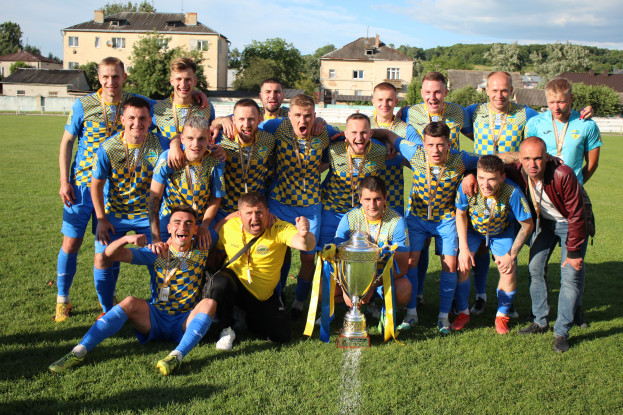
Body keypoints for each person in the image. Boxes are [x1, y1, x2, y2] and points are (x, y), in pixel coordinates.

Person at [48, 205, 216, 375]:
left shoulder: (201, 249)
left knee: (209, 303)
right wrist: (126, 239)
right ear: (169, 228)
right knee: (129, 302)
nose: (182, 227)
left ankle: (176, 356)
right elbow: (109, 254)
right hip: (155, 318)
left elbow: (225, 222)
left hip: (185, 320)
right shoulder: (157, 252)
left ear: (196, 229)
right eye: (177, 222)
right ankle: (78, 351)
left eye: (189, 223)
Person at [55, 57, 142, 322]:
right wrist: (64, 181)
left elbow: (167, 105)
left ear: (124, 77)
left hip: (114, 190)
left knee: (107, 248)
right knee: (71, 242)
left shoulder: (133, 103)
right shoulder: (83, 104)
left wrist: (198, 96)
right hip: (81, 186)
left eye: (115, 76)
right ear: (98, 78)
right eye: (105, 76)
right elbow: (67, 142)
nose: (110, 82)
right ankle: (62, 299)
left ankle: (108, 298)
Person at [380, 121, 479, 334]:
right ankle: (411, 313)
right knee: (410, 262)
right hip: (416, 219)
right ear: (423, 144)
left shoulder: (460, 159)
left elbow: (490, 161)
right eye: (431, 145)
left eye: (441, 145)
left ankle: (443, 317)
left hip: (446, 220)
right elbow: (389, 134)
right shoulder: (415, 153)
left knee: (450, 266)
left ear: (449, 144)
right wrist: (369, 132)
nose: (435, 150)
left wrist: (471, 172)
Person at [501, 137, 588, 352]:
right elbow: (489, 163)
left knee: (570, 275)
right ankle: (540, 321)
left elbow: (577, 216)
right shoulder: (518, 171)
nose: (533, 164)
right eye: (527, 159)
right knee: (534, 268)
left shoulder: (562, 174)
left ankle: (561, 332)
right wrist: (469, 178)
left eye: (538, 158)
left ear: (547, 157)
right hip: (546, 224)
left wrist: (574, 253)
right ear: (520, 159)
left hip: (572, 225)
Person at [261, 94, 340, 320]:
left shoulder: (324, 131)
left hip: (310, 206)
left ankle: (299, 302)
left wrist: (323, 124)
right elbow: (246, 122)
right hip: (280, 203)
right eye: (297, 115)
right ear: (289, 115)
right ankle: (277, 298)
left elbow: (349, 134)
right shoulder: (276, 127)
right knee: (278, 253)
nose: (302, 121)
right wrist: (221, 122)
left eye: (307, 116)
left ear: (314, 115)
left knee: (307, 257)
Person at [205, 192, 316, 350]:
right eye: (249, 213)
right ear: (239, 215)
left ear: (268, 212)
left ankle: (247, 318)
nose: (254, 218)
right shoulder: (229, 227)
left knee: (281, 335)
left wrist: (304, 235)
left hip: (262, 296)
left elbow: (306, 245)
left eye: (259, 212)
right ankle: (226, 329)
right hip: (235, 287)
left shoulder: (279, 228)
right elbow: (215, 252)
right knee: (219, 282)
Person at [91, 97, 169, 315]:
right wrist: (101, 219)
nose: (137, 123)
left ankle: (160, 305)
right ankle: (107, 309)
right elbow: (96, 185)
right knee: (102, 258)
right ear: (122, 120)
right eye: (132, 118)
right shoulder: (108, 148)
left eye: (143, 118)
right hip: (116, 214)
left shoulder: (161, 144)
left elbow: (185, 145)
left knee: (161, 257)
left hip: (150, 214)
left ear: (150, 120)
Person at [453, 155, 533, 333]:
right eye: (481, 178)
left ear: (502, 177)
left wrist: (511, 254)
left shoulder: (512, 191)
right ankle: (463, 313)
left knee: (508, 270)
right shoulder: (468, 186)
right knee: (462, 265)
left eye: (492, 179)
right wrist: (464, 249)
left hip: (501, 232)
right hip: (473, 230)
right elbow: (460, 214)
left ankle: (501, 316)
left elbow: (527, 225)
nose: (485, 185)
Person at [317, 113, 401, 249]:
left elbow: (409, 161)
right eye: (354, 132)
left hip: (359, 214)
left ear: (371, 133)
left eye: (363, 132)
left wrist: (389, 142)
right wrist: (319, 119)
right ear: (346, 134)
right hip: (331, 211)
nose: (359, 137)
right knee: (326, 254)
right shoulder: (333, 149)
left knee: (357, 256)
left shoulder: (381, 151)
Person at [332, 176, 412, 311]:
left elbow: (402, 267)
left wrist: (372, 286)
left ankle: (383, 308)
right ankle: (356, 304)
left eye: (377, 199)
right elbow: (336, 257)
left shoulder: (397, 222)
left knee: (403, 290)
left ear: (385, 198)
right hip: (353, 277)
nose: (372, 205)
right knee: (323, 289)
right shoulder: (350, 218)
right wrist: (345, 287)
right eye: (367, 199)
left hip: (382, 278)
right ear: (360, 199)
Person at [150, 116, 224, 252]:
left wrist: (204, 226)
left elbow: (216, 197)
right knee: (164, 259)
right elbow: (154, 198)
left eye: (201, 139)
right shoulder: (167, 158)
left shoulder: (215, 160)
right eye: (190, 138)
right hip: (170, 220)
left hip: (200, 220)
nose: (196, 144)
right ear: (182, 139)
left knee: (201, 258)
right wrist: (156, 238)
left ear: (209, 139)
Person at [214, 99, 277, 223]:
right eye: (241, 119)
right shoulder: (221, 139)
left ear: (259, 120)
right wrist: (220, 120)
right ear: (233, 120)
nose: (246, 124)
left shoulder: (268, 140)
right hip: (226, 209)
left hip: (255, 210)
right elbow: (204, 130)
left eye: (251, 119)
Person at [369, 82, 421, 213]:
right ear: (373, 101)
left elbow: (421, 159)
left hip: (394, 195)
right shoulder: (364, 124)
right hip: (367, 196)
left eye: (389, 100)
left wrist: (399, 155)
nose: (385, 104)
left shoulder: (406, 129)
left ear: (396, 102)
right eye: (380, 100)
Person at [400, 72, 470, 151]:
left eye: (437, 92)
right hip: (420, 159)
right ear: (422, 93)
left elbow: (475, 137)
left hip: (452, 159)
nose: (432, 97)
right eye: (428, 92)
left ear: (445, 93)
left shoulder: (459, 111)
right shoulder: (408, 113)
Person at [152, 57, 215, 140]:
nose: (183, 84)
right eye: (179, 79)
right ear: (171, 81)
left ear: (195, 81)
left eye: (188, 79)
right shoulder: (158, 109)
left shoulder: (206, 107)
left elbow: (213, 134)